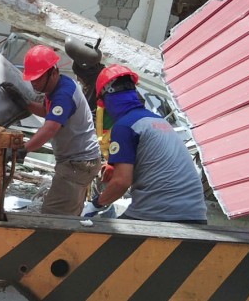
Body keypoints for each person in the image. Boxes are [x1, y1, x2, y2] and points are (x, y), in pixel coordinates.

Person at [81, 65, 208, 224]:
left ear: (107, 99)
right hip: (196, 215)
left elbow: (121, 182)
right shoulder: (159, 121)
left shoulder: (125, 126)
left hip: (161, 214)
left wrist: (95, 205)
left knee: (105, 239)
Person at [0, 45, 101, 216]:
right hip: (79, 162)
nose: (34, 84)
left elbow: (49, 129)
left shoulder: (63, 95)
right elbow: (49, 113)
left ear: (53, 72)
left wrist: (24, 149)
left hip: (78, 164)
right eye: (32, 79)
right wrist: (26, 104)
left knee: (54, 216)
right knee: (67, 214)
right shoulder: (58, 87)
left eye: (38, 79)